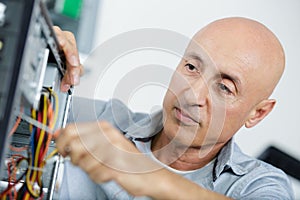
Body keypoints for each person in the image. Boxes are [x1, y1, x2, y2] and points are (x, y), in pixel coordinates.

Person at [54, 17, 294, 199]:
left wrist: (145, 174)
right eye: (191, 67)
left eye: (223, 87)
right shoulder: (99, 120)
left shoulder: (259, 184)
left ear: (257, 113)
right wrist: (36, 55)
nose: (191, 95)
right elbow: (25, 106)